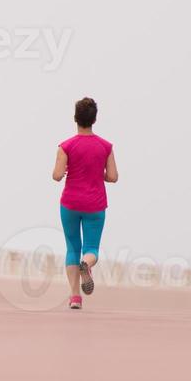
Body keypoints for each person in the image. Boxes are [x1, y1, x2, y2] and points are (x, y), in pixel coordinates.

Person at [52, 98, 119, 311]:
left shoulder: (66, 146)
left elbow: (57, 175)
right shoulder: (106, 147)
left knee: (72, 248)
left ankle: (75, 298)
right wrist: (98, 175)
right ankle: (87, 264)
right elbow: (114, 176)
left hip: (70, 203)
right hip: (95, 205)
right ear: (95, 119)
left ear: (75, 118)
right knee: (91, 249)